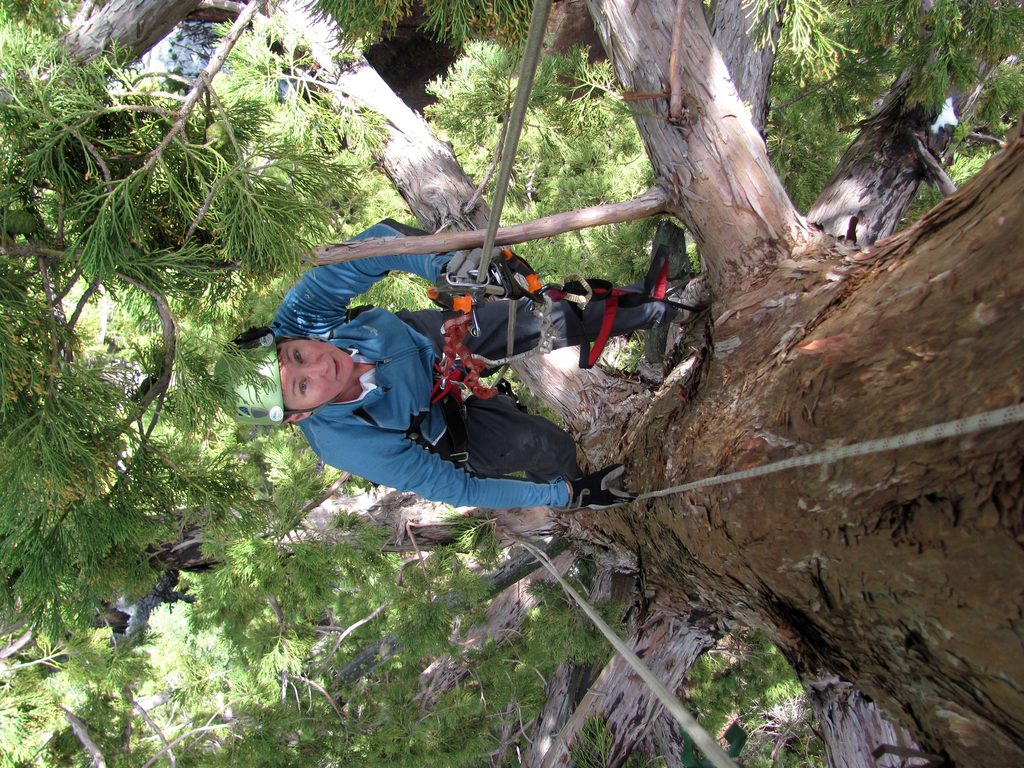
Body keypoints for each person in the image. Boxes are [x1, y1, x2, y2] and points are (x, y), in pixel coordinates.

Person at [221, 220, 681, 510]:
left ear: (285, 342)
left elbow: (376, 247)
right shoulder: (346, 442)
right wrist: (563, 496)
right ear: (300, 416)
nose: (321, 367)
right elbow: (457, 490)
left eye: (298, 356)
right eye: (302, 388)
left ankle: (660, 308)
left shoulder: (298, 322)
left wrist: (444, 267)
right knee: (543, 445)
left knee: (551, 320)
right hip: (442, 424)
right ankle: (574, 489)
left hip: (436, 342)